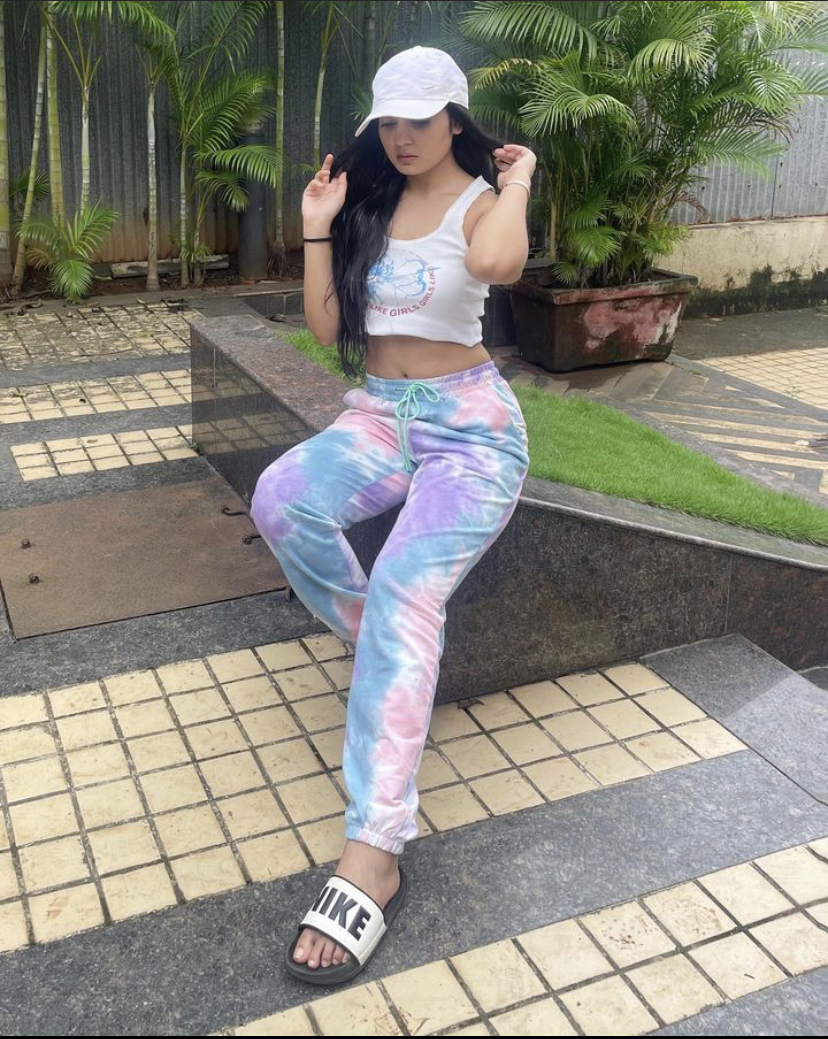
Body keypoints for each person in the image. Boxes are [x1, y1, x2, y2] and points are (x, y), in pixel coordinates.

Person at [249, 44, 534, 985]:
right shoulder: (370, 201)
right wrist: (318, 225)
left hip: (471, 433)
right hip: (378, 416)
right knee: (281, 497)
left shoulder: (481, 203)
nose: (404, 136)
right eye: (390, 122)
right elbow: (329, 330)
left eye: (421, 119)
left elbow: (497, 264)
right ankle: (388, 655)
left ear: (455, 118)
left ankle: (374, 849)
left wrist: (520, 181)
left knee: (410, 585)